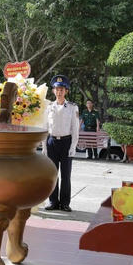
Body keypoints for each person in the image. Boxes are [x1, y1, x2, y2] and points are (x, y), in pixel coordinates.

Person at [44, 75, 79, 213]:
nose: (59, 92)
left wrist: (73, 147)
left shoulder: (72, 107)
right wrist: (44, 146)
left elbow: (75, 128)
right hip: (52, 142)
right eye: (57, 89)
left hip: (66, 142)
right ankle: (53, 201)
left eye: (62, 89)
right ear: (53, 91)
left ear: (66, 91)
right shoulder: (49, 107)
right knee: (52, 174)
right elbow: (45, 127)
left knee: (66, 175)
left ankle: (65, 203)